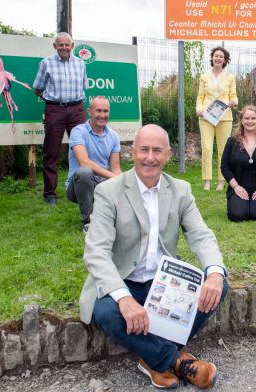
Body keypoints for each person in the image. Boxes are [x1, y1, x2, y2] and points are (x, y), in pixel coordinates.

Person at [79, 124, 228, 389]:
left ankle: (153, 360)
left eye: (157, 150)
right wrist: (123, 298)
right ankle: (178, 361)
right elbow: (96, 251)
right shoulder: (109, 192)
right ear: (132, 152)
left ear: (168, 155)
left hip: (164, 284)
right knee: (105, 311)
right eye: (144, 150)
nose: (150, 157)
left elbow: (200, 235)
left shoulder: (180, 190)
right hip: (125, 284)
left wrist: (215, 272)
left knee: (219, 286)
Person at [33, 32, 88, 205]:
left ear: (72, 46)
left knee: (82, 150)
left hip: (77, 109)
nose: (64, 47)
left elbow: (84, 86)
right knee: (51, 151)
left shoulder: (81, 64)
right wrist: (54, 102)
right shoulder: (46, 63)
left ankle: (83, 189)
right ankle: (50, 194)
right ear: (55, 46)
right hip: (55, 109)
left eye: (67, 44)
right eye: (60, 44)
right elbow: (38, 88)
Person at [66, 96, 122, 232]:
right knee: (84, 171)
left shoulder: (113, 135)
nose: (102, 115)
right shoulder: (78, 131)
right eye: (98, 111)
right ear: (89, 111)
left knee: (127, 180)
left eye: (106, 111)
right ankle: (89, 223)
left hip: (101, 184)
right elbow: (84, 162)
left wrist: (123, 182)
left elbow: (116, 168)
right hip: (78, 186)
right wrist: (114, 178)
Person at [220, 105, 256, 222]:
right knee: (237, 215)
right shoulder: (232, 141)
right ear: (241, 120)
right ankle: (240, 203)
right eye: (246, 118)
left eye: (253, 118)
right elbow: (224, 167)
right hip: (239, 188)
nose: (250, 121)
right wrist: (236, 187)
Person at [196, 46, 238, 191]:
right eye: (216, 56)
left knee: (223, 149)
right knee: (207, 147)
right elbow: (200, 97)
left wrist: (234, 102)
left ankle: (221, 180)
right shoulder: (203, 77)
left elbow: (233, 95)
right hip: (206, 116)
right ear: (212, 58)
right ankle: (207, 180)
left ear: (225, 60)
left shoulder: (230, 77)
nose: (218, 58)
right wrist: (199, 109)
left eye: (221, 56)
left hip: (224, 116)